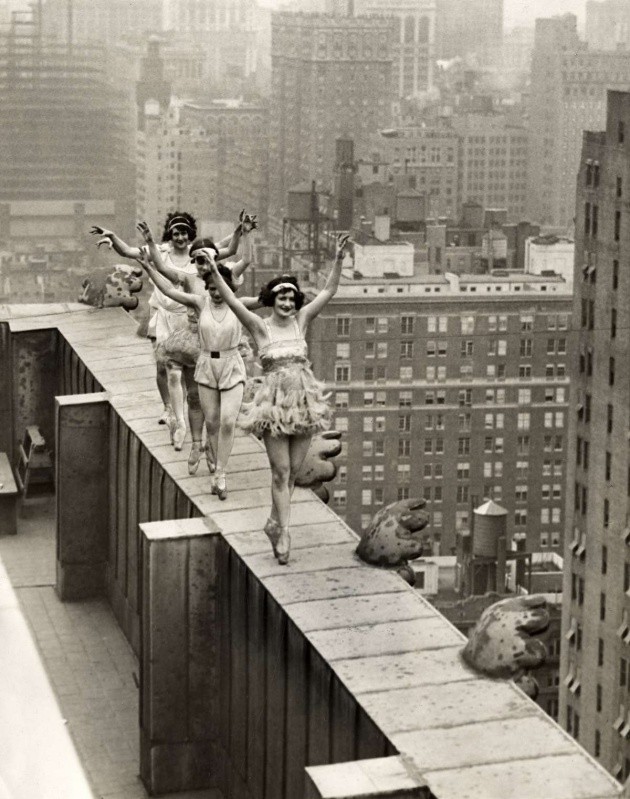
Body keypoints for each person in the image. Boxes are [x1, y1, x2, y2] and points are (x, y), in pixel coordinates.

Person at [206, 233, 349, 564]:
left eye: (291, 298)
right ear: (271, 300)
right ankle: (283, 533)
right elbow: (230, 300)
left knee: (294, 473)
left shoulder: (302, 320)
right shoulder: (259, 326)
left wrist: (338, 260)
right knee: (280, 472)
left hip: (302, 404)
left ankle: (274, 522)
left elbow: (328, 291)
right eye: (281, 298)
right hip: (273, 405)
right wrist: (215, 271)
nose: (287, 303)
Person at [90, 213, 245, 450]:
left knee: (189, 375)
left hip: (190, 316)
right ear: (170, 236)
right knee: (166, 368)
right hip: (164, 313)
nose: (180, 237)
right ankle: (171, 411)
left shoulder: (199, 255)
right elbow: (129, 252)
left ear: (190, 234)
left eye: (184, 233)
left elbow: (228, 248)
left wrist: (240, 231)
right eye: (176, 233)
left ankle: (195, 420)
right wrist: (114, 237)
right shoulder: (160, 251)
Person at [137, 222, 261, 500]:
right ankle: (197, 444)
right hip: (198, 347)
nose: (205, 263)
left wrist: (245, 234)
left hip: (227, 353)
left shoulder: (229, 285)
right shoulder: (195, 289)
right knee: (200, 406)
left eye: (208, 257)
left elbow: (244, 259)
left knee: (223, 419)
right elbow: (167, 283)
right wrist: (149, 261)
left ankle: (217, 466)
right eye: (200, 259)